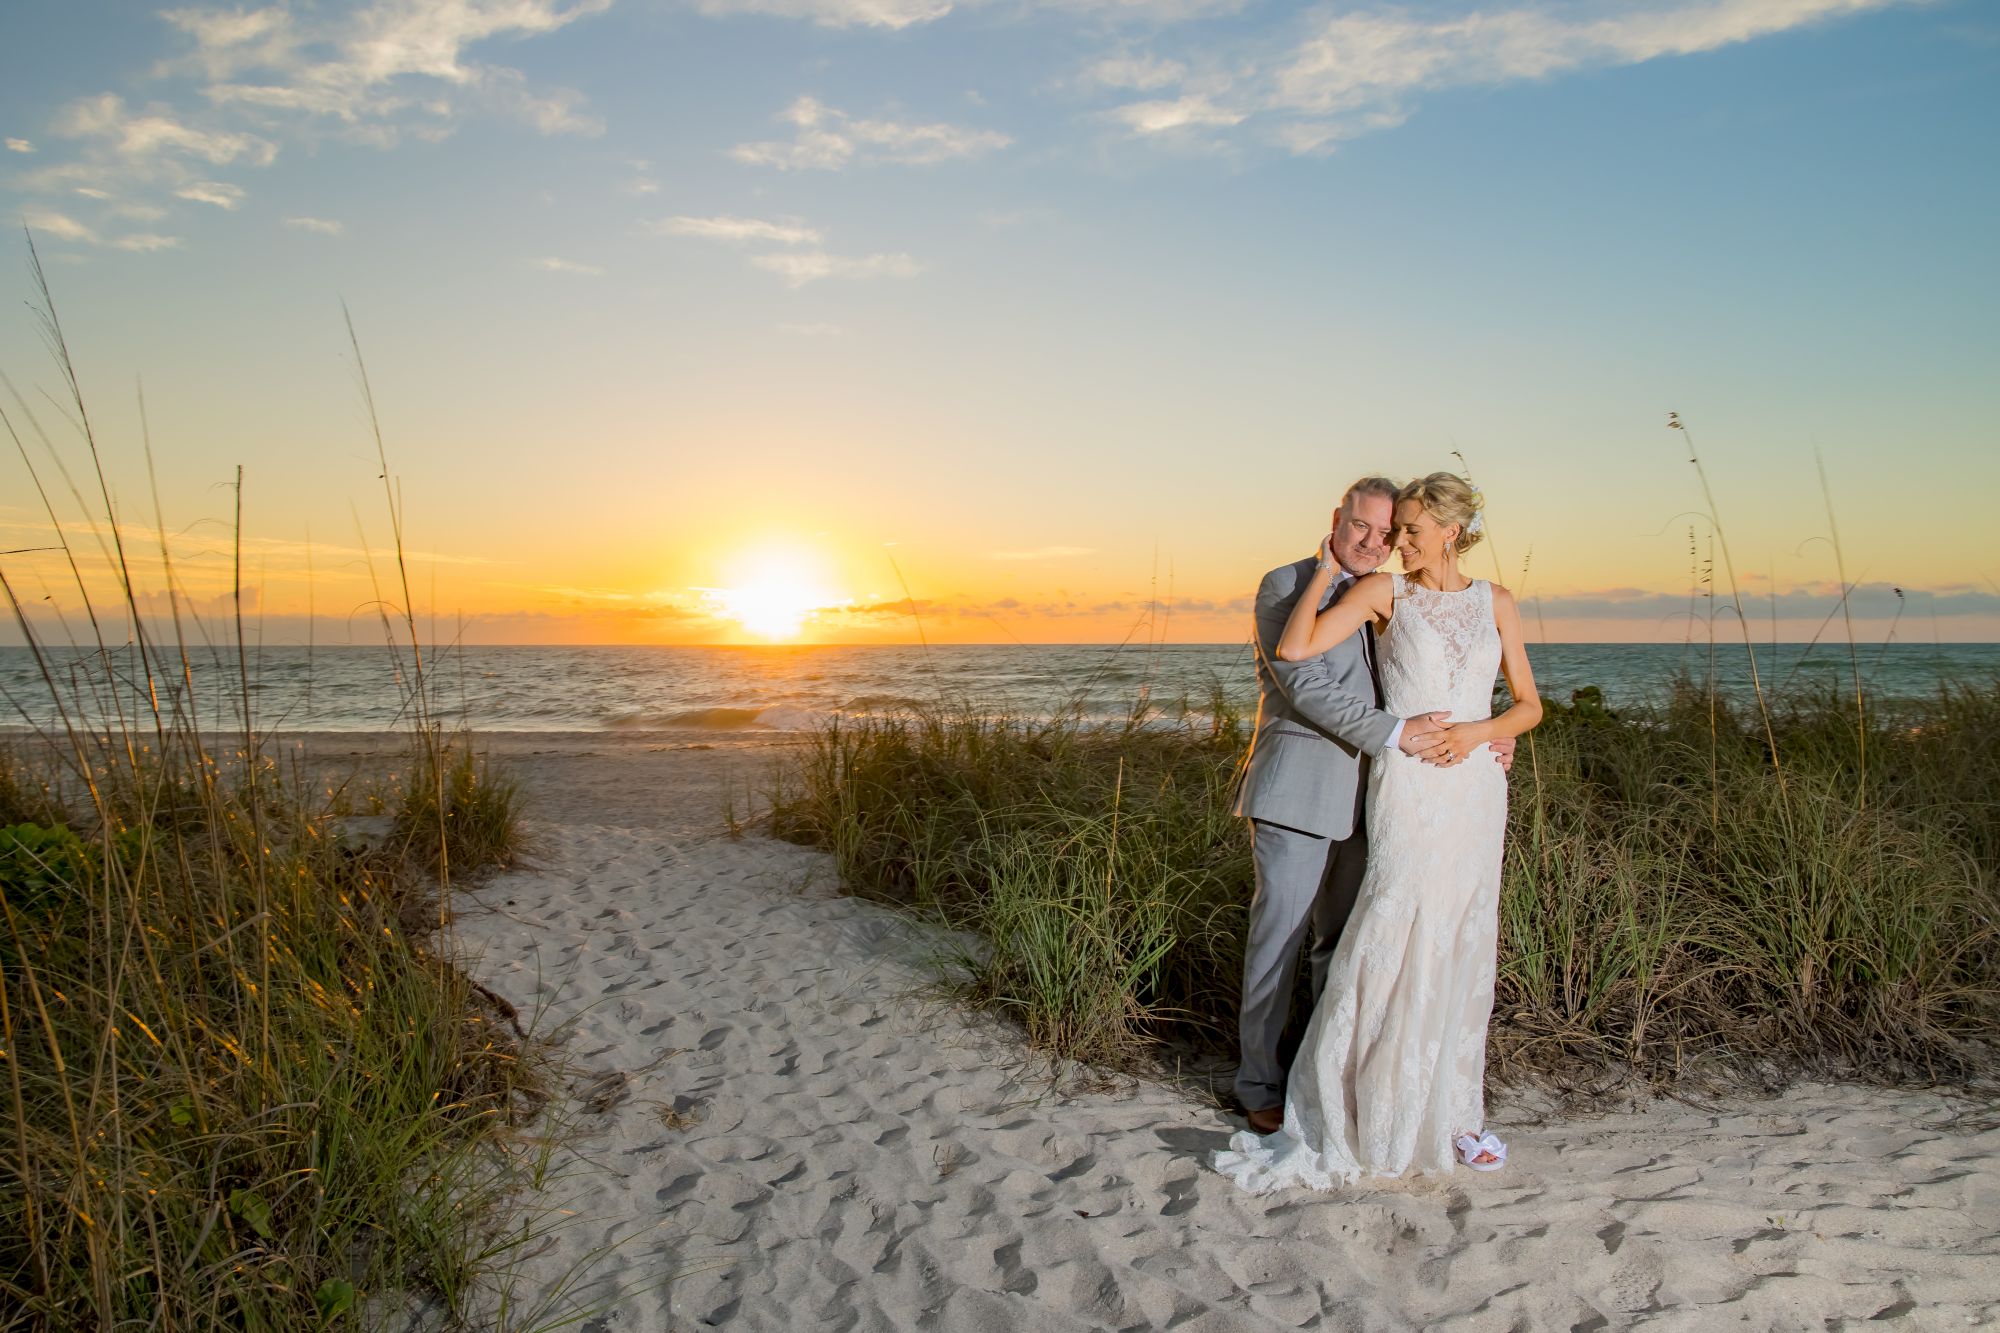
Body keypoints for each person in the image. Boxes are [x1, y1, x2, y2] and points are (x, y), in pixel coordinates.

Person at [1217, 471, 1541, 1189]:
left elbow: (1509, 697)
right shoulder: (1299, 583)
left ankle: (1372, 1086)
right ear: (1336, 519)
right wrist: (1403, 735)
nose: (1380, 541)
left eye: (1392, 530)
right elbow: (1302, 681)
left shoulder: (1452, 595)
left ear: (1440, 530)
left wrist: (1484, 731)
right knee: (1284, 938)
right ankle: (1261, 1086)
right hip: (1310, 787)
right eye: (1365, 528)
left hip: (1402, 794)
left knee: (1357, 942)